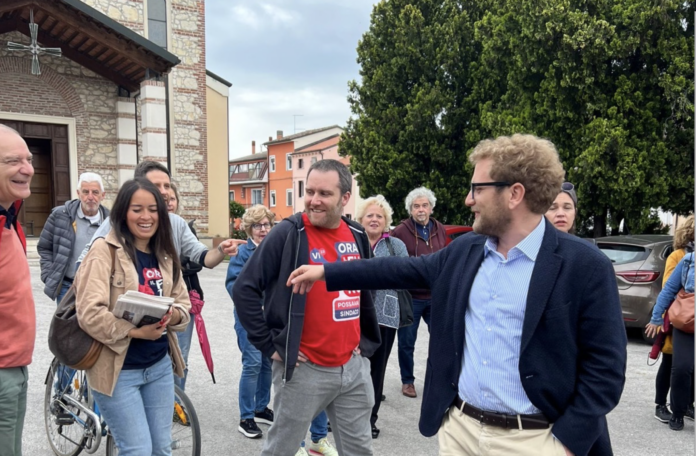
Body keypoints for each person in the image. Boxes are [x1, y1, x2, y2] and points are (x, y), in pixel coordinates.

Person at [288, 134, 628, 456]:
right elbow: (401, 270)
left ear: (514, 194)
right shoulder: (466, 249)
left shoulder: (585, 266)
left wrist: (566, 444)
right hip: (460, 432)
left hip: (534, 440)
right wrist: (327, 272)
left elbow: (605, 368)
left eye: (477, 188)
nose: (468, 199)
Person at [233, 159, 381, 456]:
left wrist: (363, 343)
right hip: (304, 370)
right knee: (281, 450)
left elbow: (366, 287)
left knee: (360, 451)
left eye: (324, 194)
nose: (314, 200)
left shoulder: (357, 235)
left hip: (352, 369)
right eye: (309, 191)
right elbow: (244, 289)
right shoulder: (289, 232)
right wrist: (271, 344)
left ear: (346, 198)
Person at [74, 178, 191, 455]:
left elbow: (184, 305)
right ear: (123, 212)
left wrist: (171, 315)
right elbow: (89, 313)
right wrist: (134, 331)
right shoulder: (104, 251)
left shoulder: (165, 254)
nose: (146, 216)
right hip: (118, 370)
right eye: (137, 209)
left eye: (153, 209)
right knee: (137, 449)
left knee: (162, 448)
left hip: (159, 367)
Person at [356, 195, 409, 439]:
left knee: (376, 371)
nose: (374, 219)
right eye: (370, 215)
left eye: (379, 216)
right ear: (361, 219)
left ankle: (370, 419)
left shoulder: (395, 246)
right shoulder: (352, 241)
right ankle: (345, 418)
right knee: (350, 369)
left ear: (386, 221)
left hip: (385, 317)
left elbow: (406, 275)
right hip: (352, 316)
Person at [390, 186, 446, 398]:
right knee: (406, 343)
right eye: (416, 206)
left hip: (435, 295)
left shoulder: (439, 228)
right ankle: (407, 381)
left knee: (441, 338)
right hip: (411, 297)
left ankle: (439, 378)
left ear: (431, 207)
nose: (421, 210)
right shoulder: (400, 231)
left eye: (424, 205)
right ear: (410, 210)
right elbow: (393, 260)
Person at [0, 124, 35, 456]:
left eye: (28, 158)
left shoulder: (10, 219)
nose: (27, 168)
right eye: (14, 161)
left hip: (15, 364)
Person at [226, 205, 275, 439]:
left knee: (267, 363)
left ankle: (260, 408)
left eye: (266, 224)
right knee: (253, 363)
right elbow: (233, 286)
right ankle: (246, 417)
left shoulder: (275, 250)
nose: (263, 229)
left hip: (271, 320)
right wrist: (256, 306)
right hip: (249, 319)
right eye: (257, 225)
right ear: (248, 229)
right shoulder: (242, 254)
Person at [38, 172, 109, 304]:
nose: (90, 197)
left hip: (98, 288)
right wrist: (49, 276)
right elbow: (44, 247)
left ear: (102, 195)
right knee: (66, 325)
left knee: (94, 324)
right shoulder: (60, 215)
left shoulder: (110, 222)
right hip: (67, 287)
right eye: (85, 192)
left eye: (95, 192)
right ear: (78, 193)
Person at [651, 215, 694, 424]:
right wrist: (658, 317)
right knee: (671, 363)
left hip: (685, 314)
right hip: (679, 315)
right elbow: (668, 285)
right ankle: (661, 404)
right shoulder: (679, 256)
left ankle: (686, 405)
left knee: (686, 366)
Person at [168, 182, 205, 391]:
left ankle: (178, 402)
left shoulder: (184, 228)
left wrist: (177, 265)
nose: (169, 203)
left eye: (172, 199)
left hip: (187, 299)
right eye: (165, 199)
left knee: (182, 354)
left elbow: (198, 260)